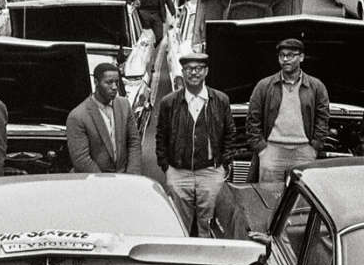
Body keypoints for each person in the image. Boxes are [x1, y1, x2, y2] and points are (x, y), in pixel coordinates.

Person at [154, 49, 234, 237]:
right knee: (180, 224)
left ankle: (206, 260)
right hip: (179, 173)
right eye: (189, 68)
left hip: (210, 172)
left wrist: (222, 164)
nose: (194, 73)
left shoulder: (220, 100)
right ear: (183, 72)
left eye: (199, 68)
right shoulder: (169, 102)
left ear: (206, 72)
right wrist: (166, 166)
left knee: (208, 223)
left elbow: (230, 133)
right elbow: (160, 136)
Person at [246, 37, 329, 200]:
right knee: (269, 200)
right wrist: (262, 149)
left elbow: (323, 118)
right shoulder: (264, 86)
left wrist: (315, 147)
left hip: (304, 152)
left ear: (302, 57)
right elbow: (252, 119)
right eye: (282, 55)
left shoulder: (316, 86)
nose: (285, 59)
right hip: (272, 151)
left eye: (291, 55)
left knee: (303, 202)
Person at [66, 62, 140, 173]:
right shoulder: (77, 116)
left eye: (116, 82)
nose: (114, 87)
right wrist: (105, 182)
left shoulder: (124, 105)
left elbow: (134, 142)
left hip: (124, 179)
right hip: (95, 183)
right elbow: (81, 159)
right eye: (109, 82)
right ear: (96, 82)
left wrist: (132, 176)